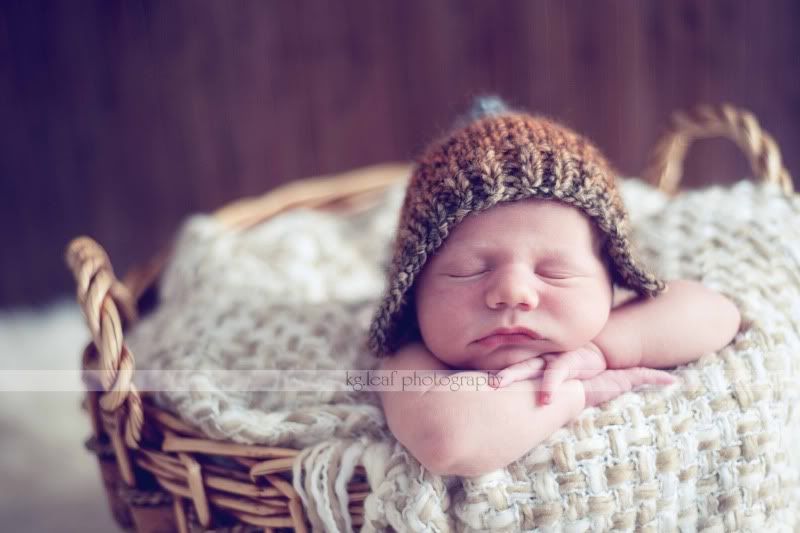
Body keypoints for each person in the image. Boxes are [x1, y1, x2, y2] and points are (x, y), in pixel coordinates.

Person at [367, 98, 741, 477]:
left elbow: (719, 314)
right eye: (467, 271)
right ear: (412, 291)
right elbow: (446, 440)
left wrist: (600, 351)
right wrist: (579, 391)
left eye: (555, 272)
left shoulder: (601, 320)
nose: (513, 292)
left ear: (612, 278)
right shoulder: (409, 357)